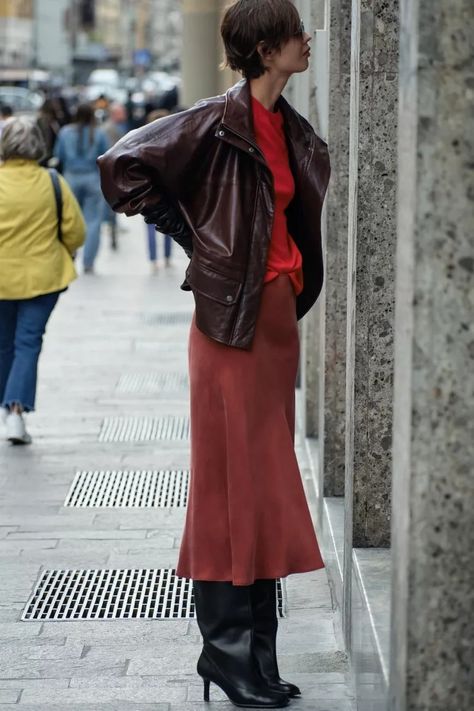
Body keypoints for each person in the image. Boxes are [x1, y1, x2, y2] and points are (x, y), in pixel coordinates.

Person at [98, 0, 330, 707]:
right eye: (295, 33)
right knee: (233, 480)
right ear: (264, 49)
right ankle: (227, 652)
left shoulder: (291, 128)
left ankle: (257, 653)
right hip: (230, 325)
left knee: (261, 480)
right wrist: (200, 239)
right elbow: (122, 164)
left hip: (276, 321)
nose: (307, 39)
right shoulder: (213, 119)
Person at [0, 117, 85, 444]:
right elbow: (76, 231)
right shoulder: (51, 181)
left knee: (4, 343)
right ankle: (16, 414)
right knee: (28, 342)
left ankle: (7, 409)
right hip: (43, 276)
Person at [54, 103, 108, 273]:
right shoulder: (99, 133)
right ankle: (88, 262)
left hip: (70, 179)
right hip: (92, 178)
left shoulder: (65, 132)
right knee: (93, 221)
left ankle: (70, 254)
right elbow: (106, 157)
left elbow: (58, 156)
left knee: (68, 219)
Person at [143, 109, 173, 271]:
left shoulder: (143, 143)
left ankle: (153, 260)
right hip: (167, 187)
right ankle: (167, 257)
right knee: (169, 223)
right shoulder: (171, 142)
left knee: (150, 225)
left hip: (148, 188)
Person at [101, 103, 128, 249]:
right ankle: (111, 228)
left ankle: (113, 228)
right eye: (121, 112)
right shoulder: (109, 129)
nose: (124, 114)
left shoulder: (119, 127)